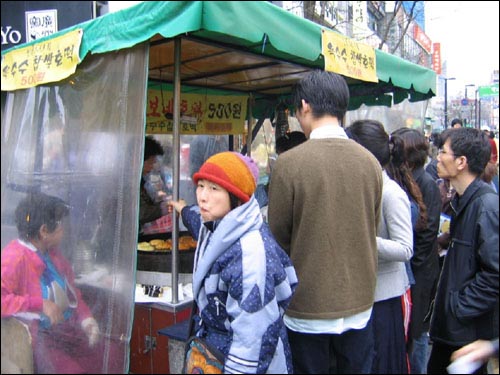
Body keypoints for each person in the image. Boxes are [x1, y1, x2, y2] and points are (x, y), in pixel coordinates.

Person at [267, 70, 383, 374]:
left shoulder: (289, 165)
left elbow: (278, 236)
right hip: (360, 301)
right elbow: (372, 224)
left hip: (307, 304)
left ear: (304, 106)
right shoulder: (370, 162)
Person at [169, 151, 298, 373]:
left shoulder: (250, 256)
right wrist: (181, 209)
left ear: (236, 196)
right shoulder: (219, 225)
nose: (202, 196)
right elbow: (197, 221)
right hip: (217, 351)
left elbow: (252, 339)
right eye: (201, 185)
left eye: (214, 188)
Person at [1, 192, 118, 374]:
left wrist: (87, 319)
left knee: (111, 355)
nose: (64, 230)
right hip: (40, 339)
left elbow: (72, 293)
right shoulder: (13, 258)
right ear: (44, 231)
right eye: (60, 226)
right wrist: (40, 304)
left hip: (65, 332)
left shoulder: (53, 254)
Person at [427, 128, 499, 374]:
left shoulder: (486, 206)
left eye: (443, 152)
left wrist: (457, 308)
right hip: (453, 331)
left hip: (465, 333)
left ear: (461, 162)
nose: (437, 157)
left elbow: (494, 275)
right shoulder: (463, 200)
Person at [346, 120, 413, 374]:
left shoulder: (390, 192)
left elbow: (405, 248)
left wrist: (363, 240)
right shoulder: (359, 186)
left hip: (384, 298)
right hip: (361, 295)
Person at [390, 127, 442, 374]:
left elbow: (427, 233)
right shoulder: (404, 178)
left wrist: (413, 276)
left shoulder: (426, 182)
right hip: (413, 269)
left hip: (420, 271)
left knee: (417, 332)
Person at [139, 136, 168, 232]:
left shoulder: (140, 180)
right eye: (150, 163)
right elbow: (141, 213)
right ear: (137, 160)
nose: (151, 168)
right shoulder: (125, 183)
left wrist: (158, 201)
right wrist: (162, 208)